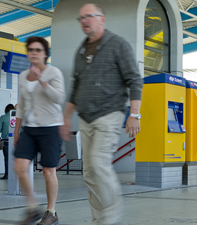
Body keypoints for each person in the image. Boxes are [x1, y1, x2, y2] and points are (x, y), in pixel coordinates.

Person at [62, 4, 143, 224]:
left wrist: (134, 114)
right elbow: (76, 86)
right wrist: (66, 117)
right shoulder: (81, 49)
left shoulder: (118, 45)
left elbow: (135, 80)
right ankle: (99, 220)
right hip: (86, 118)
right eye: (81, 18)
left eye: (89, 16)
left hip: (109, 114)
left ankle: (111, 214)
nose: (84, 21)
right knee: (89, 174)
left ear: (102, 19)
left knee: (98, 164)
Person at [14, 36, 67, 225]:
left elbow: (58, 98)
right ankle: (32, 207)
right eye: (31, 50)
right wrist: (16, 131)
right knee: (19, 167)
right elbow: (21, 105)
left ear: (45, 54)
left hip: (51, 128)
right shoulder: (22, 76)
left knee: (48, 171)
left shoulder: (54, 72)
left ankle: (51, 212)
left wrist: (41, 80)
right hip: (29, 128)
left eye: (38, 50)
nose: (34, 53)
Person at [0, 104, 14, 180]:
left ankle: (7, 175)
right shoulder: (17, 118)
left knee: (7, 158)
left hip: (6, 141)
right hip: (16, 141)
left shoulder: (3, 117)